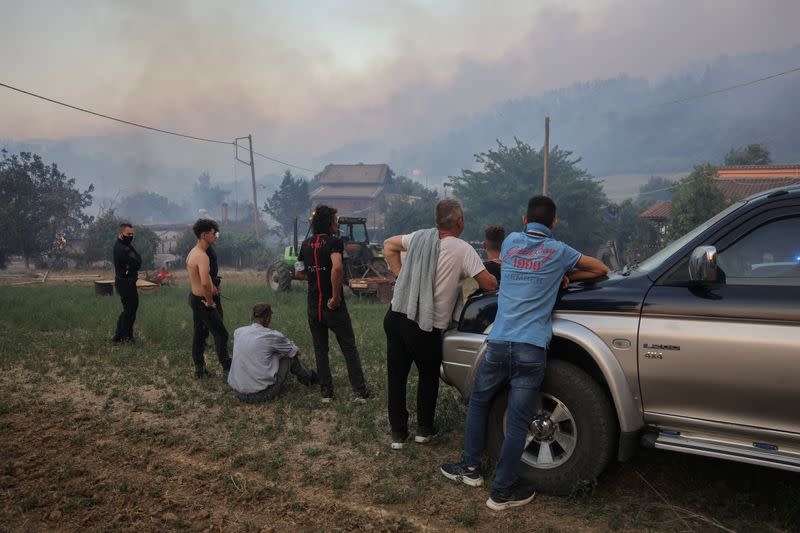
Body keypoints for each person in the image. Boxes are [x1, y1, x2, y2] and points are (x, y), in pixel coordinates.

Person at [440, 195, 609, 511]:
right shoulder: (559, 252)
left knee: (478, 402)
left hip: (499, 342)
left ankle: (471, 469)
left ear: (523, 219)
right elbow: (601, 269)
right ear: (554, 223)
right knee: (518, 420)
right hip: (531, 348)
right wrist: (564, 277)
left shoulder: (511, 243)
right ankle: (501, 492)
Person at [383, 199, 498, 450]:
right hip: (425, 323)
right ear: (460, 222)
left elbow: (389, 245)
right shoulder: (463, 249)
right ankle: (424, 430)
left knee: (397, 376)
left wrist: (401, 277)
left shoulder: (419, 237)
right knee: (427, 376)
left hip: (397, 313)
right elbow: (488, 284)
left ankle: (398, 435)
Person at [295, 205, 371, 403]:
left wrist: (315, 273)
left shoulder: (306, 244)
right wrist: (336, 297)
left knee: (320, 349)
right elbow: (337, 268)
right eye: (335, 220)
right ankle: (360, 392)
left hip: (313, 306)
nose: (337, 223)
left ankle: (326, 393)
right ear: (329, 222)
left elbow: (299, 272)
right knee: (348, 347)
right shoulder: (335, 242)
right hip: (332, 306)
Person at [228, 303, 318, 403]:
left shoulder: (238, 332)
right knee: (290, 357)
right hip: (261, 395)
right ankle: (311, 379)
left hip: (238, 393)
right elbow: (296, 352)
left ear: (252, 316)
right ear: (267, 319)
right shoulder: (272, 336)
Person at [186, 218, 231, 378]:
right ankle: (228, 368)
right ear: (204, 235)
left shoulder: (194, 252)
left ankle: (200, 369)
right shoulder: (202, 256)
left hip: (195, 298)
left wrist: (213, 286)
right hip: (203, 300)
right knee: (221, 334)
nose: (216, 236)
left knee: (199, 333)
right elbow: (205, 283)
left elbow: (205, 279)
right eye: (214, 233)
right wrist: (210, 302)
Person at [112, 222, 141, 343]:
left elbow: (138, 260)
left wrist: (134, 262)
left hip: (128, 281)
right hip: (124, 282)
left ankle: (119, 336)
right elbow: (135, 262)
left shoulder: (127, 246)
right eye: (128, 234)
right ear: (120, 233)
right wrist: (133, 263)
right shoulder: (120, 247)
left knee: (129, 309)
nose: (131, 236)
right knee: (130, 310)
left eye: (132, 234)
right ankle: (127, 337)